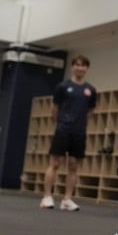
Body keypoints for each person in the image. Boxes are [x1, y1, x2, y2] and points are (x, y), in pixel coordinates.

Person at [41, 54, 97, 211]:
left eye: (83, 65)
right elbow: (54, 107)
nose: (80, 68)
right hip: (63, 130)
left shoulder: (90, 90)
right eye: (77, 65)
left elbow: (91, 110)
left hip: (79, 132)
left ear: (86, 69)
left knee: (73, 166)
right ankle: (47, 197)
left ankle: (67, 199)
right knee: (55, 163)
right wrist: (59, 123)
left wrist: (81, 123)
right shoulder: (63, 86)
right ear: (73, 67)